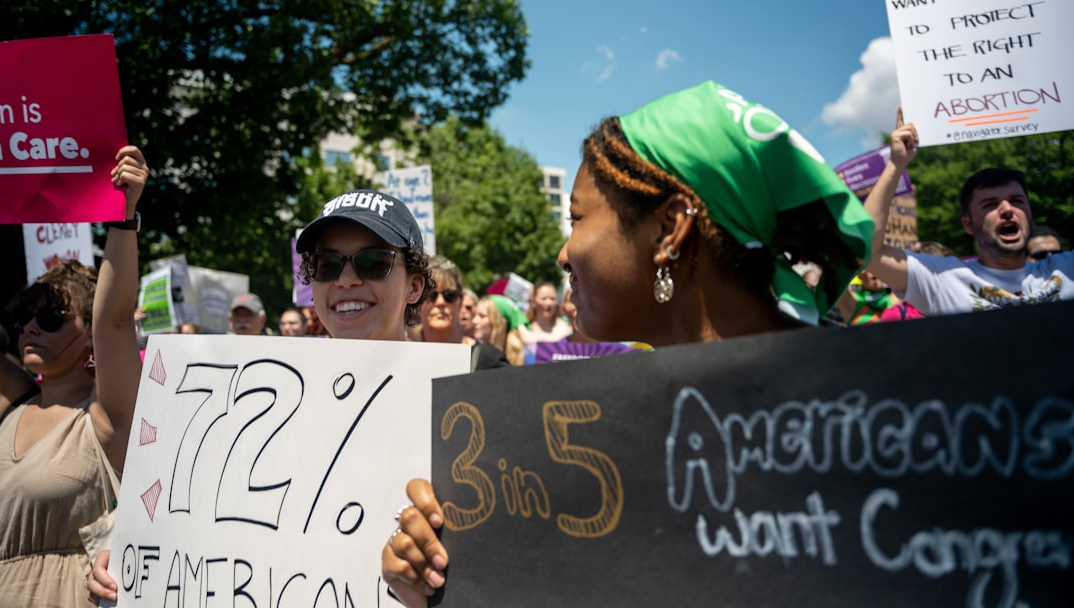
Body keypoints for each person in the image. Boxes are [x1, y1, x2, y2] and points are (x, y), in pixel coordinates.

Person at [381, 80, 873, 605]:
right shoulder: (575, 434)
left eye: (577, 219)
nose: (563, 253)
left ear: (669, 229)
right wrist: (442, 582)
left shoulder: (875, 423)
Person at [87, 188, 437, 602]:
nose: (346, 279)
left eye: (374, 262)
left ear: (415, 286)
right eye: (327, 265)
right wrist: (138, 550)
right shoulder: (251, 395)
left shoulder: (454, 404)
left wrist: (433, 580)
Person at [0, 146, 148, 607]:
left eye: (54, 315)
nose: (33, 327)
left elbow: (115, 320)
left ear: (90, 339)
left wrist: (124, 216)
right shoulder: (10, 404)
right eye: (26, 314)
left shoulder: (106, 420)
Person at [863, 110, 1074, 315]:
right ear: (968, 224)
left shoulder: (1065, 269)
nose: (1007, 209)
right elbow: (868, 251)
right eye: (990, 204)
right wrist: (896, 163)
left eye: (1017, 201)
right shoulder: (941, 279)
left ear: (1029, 215)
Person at [418, 257, 508, 371]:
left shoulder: (489, 359)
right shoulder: (402, 356)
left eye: (449, 295)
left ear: (460, 301)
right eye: (431, 295)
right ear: (417, 302)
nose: (440, 302)